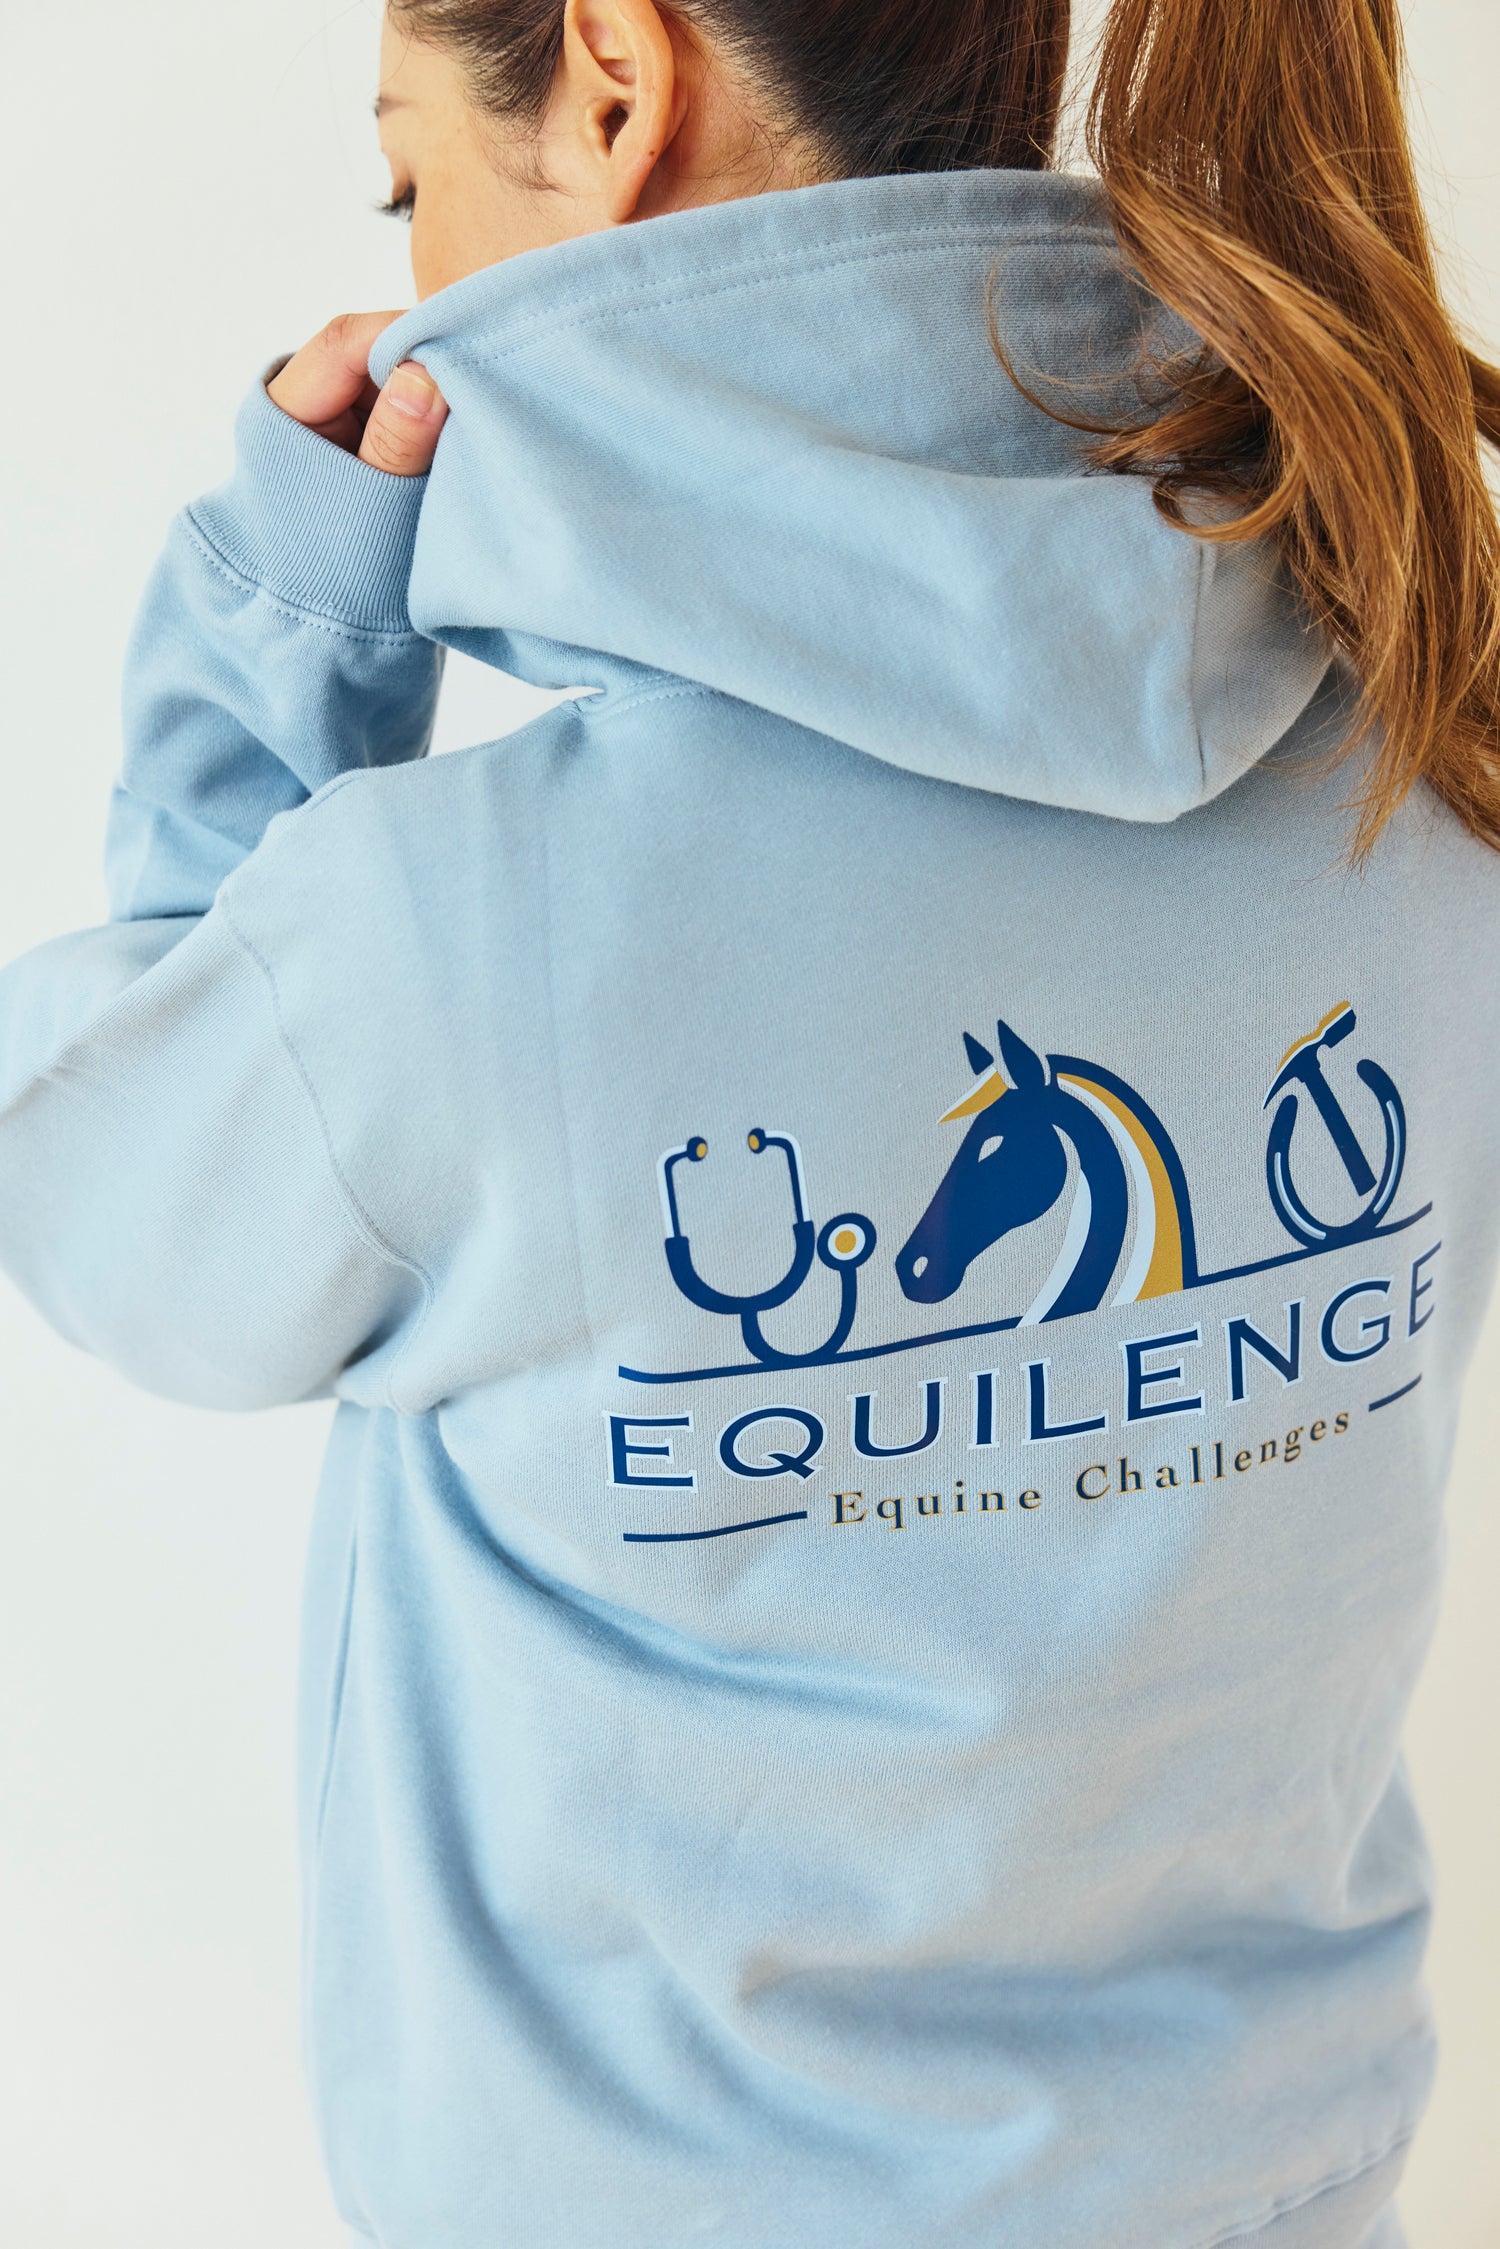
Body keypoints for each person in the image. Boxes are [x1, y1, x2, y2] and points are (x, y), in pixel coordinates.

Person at [2, 0, 1497, 2241]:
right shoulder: (1431, 752)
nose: (411, 264)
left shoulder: (447, 928)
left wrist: (278, 639)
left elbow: (110, 1204)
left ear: (616, 83)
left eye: (411, 182)